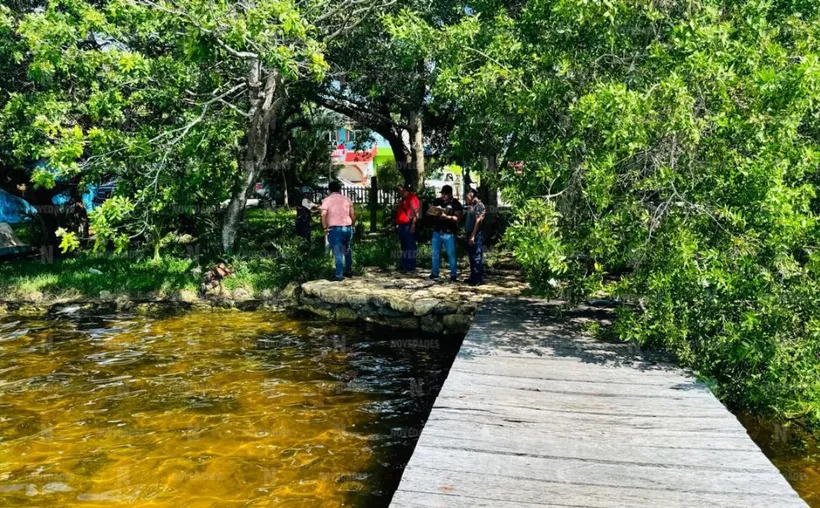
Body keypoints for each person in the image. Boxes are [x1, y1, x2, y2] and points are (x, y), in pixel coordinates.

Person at [320, 180, 355, 281]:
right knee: (347, 250)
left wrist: (325, 227)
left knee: (338, 251)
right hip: (347, 228)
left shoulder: (327, 200)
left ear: (329, 190)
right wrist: (352, 225)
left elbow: (323, 215)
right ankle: (349, 271)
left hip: (335, 229)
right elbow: (352, 214)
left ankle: (338, 275)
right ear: (340, 189)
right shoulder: (347, 199)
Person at [428, 184, 463, 282]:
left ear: (450, 194)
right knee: (435, 254)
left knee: (451, 254)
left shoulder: (456, 204)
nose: (443, 196)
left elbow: (458, 218)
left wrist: (447, 217)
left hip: (449, 233)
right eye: (442, 193)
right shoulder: (438, 201)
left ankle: (453, 275)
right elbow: (429, 211)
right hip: (437, 232)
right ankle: (435, 273)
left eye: (445, 194)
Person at [464, 188, 486, 286]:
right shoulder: (471, 206)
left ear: (473, 196)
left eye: (467, 197)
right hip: (470, 233)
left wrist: (472, 236)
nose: (466, 199)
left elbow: (478, 222)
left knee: (477, 256)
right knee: (471, 256)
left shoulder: (479, 206)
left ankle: (478, 279)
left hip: (475, 234)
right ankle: (473, 277)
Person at [396, 183, 420, 273]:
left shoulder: (412, 198)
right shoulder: (403, 200)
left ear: (404, 189)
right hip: (402, 225)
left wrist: (413, 225)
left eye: (399, 190)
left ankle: (411, 266)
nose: (398, 192)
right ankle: (404, 265)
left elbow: (416, 213)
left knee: (410, 246)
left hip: (408, 225)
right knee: (404, 246)